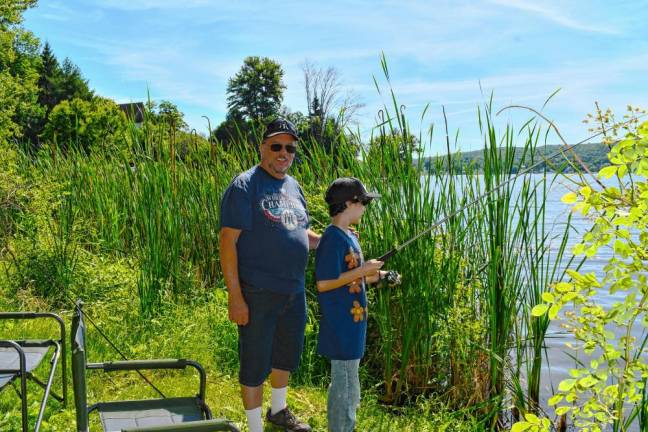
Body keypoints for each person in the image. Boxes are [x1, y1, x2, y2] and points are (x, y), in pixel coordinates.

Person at [219, 118, 320, 432]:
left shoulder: (294, 186)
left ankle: (278, 410)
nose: (284, 153)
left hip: (294, 289)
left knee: (286, 354)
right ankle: (254, 427)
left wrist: (333, 238)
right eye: (276, 146)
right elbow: (227, 241)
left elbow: (302, 233)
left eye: (290, 148)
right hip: (257, 291)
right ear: (262, 147)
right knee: (254, 361)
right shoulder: (245, 185)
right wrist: (235, 297)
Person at [315, 177, 401, 432]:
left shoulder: (349, 237)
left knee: (350, 388)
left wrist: (383, 276)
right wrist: (364, 269)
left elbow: (356, 275)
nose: (366, 207)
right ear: (349, 203)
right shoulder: (332, 239)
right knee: (345, 389)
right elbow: (324, 283)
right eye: (363, 202)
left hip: (353, 326)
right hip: (341, 327)